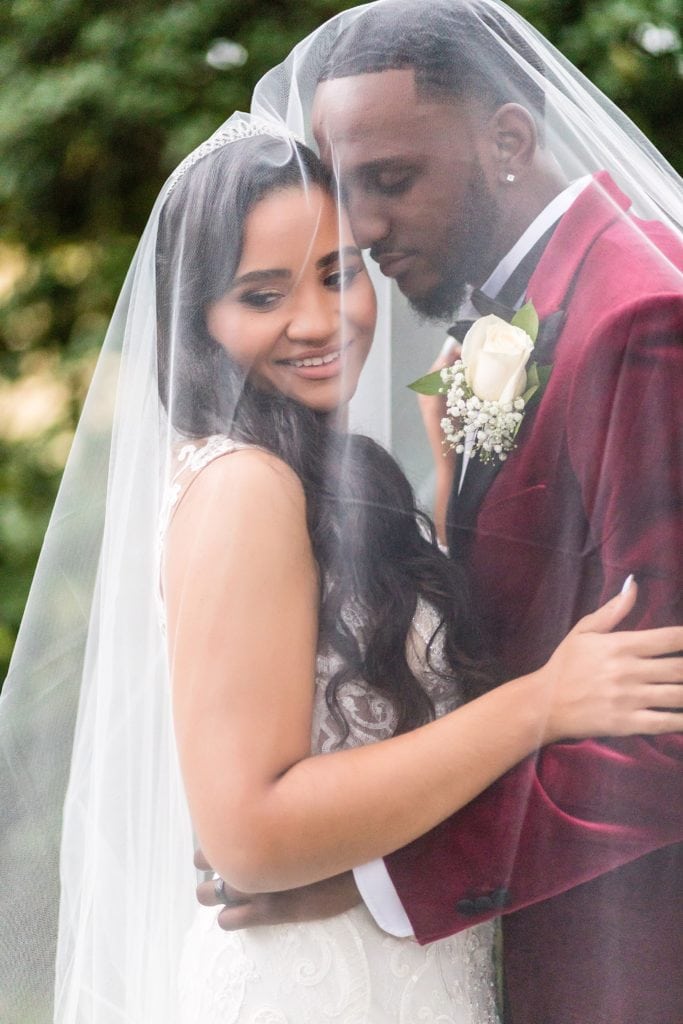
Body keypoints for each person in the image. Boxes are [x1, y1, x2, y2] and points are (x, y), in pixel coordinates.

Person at [1, 113, 681, 1024]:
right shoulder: (243, 485)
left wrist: (448, 496)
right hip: (322, 988)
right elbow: (246, 833)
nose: (319, 321)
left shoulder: (320, 475)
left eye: (338, 273)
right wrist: (543, 703)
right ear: (195, 317)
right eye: (262, 294)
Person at [194, 3, 683, 1022]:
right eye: (346, 186)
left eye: (390, 180)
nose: (361, 231)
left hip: (629, 956)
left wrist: (369, 880)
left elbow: (663, 722)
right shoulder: (524, 309)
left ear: (505, 141)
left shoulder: (639, 316)